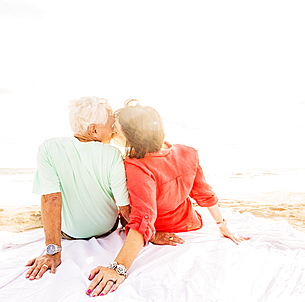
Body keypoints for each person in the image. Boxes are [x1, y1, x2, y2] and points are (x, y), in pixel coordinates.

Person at [86, 100, 249, 297]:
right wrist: (221, 224)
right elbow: (204, 193)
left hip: (160, 229)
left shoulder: (137, 166)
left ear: (131, 136)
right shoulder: (188, 152)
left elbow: (143, 219)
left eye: (116, 130)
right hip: (190, 224)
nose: (112, 133)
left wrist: (118, 268)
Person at [25, 96, 130, 281]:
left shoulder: (48, 148)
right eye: (111, 124)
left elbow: (51, 199)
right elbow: (123, 207)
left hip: (70, 235)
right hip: (106, 229)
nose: (114, 129)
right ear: (94, 130)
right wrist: (147, 233)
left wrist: (52, 253)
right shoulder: (113, 155)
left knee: (48, 200)